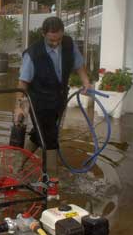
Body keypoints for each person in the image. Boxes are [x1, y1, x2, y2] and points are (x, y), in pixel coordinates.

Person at [14, 16, 91, 178]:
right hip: (39, 102)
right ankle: (51, 179)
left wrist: (86, 82)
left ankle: (17, 164)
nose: (55, 43)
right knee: (50, 138)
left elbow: (79, 65)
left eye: (58, 39)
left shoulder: (69, 44)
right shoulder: (33, 54)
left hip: (59, 99)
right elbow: (23, 83)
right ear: (44, 34)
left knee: (39, 134)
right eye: (51, 40)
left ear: (62, 33)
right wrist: (19, 108)